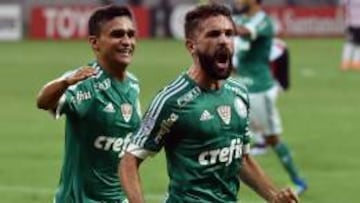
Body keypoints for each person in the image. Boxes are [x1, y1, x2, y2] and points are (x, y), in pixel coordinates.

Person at [119, 4, 299, 203]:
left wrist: (274, 197)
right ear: (191, 46)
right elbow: (129, 159)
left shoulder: (238, 93)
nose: (223, 40)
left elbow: (240, 158)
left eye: (229, 34)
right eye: (213, 34)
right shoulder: (172, 101)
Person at [36, 5, 141, 203]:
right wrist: (65, 83)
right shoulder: (84, 83)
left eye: (131, 34)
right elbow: (43, 101)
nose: (127, 41)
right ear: (95, 42)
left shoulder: (134, 84)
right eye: (117, 35)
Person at [232, 0, 307, 195]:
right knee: (229, 136)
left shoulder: (264, 22)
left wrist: (216, 23)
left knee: (272, 138)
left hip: (259, 90)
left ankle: (298, 180)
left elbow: (244, 32)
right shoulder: (239, 18)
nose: (236, 1)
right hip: (239, 87)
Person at [339, 0, 360, 71]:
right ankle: (345, 62)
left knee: (358, 44)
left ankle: (356, 63)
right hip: (351, 24)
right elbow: (342, 7)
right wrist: (341, 20)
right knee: (349, 43)